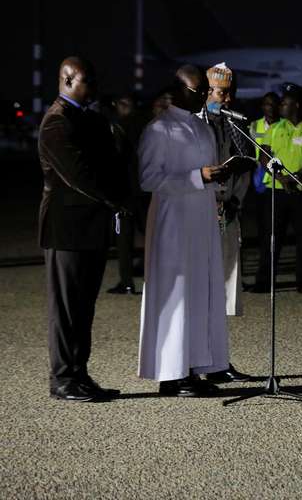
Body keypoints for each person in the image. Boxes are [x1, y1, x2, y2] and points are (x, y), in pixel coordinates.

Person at [138, 64, 234, 397]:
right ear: (179, 90)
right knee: (176, 296)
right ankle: (171, 374)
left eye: (206, 90)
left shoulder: (201, 127)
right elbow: (149, 179)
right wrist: (199, 177)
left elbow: (206, 173)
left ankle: (194, 366)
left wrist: (217, 180)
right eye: (198, 90)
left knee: (200, 293)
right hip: (173, 223)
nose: (206, 95)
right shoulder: (160, 129)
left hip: (201, 219)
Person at [38, 56, 126, 401]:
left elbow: (110, 159)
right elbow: (79, 176)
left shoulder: (87, 118)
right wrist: (118, 199)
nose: (95, 86)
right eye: (88, 80)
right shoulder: (56, 123)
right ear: (68, 78)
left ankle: (79, 372)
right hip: (66, 228)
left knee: (83, 307)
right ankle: (62, 378)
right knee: (65, 308)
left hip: (88, 226)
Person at [200, 63, 252, 384]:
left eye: (230, 92)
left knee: (223, 291)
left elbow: (245, 165)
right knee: (203, 292)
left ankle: (220, 361)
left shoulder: (239, 123)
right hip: (201, 212)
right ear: (207, 92)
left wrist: (234, 202)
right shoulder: (194, 124)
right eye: (220, 92)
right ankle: (201, 361)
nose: (226, 98)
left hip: (229, 211)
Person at [252, 83, 302, 294]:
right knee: (271, 237)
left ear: (296, 105)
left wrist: (295, 178)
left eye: (285, 103)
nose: (280, 107)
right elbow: (264, 155)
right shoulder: (276, 127)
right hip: (276, 190)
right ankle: (264, 282)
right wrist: (278, 176)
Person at [107, 94, 144, 295]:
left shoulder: (118, 128)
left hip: (127, 191)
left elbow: (115, 161)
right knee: (147, 235)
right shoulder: (145, 126)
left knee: (124, 239)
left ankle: (127, 281)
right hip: (142, 189)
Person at [247, 92, 282, 291]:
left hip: (274, 183)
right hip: (257, 183)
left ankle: (267, 277)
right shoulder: (253, 126)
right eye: (267, 104)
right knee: (261, 232)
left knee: (271, 233)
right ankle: (262, 276)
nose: (270, 107)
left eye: (273, 104)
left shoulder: (283, 126)